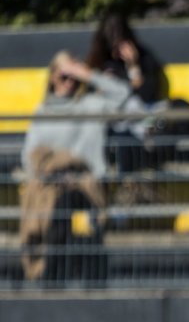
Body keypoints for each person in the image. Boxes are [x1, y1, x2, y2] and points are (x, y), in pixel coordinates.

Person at [19, 52, 132, 283]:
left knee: (65, 202)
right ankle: (49, 274)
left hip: (84, 182)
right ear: (52, 77)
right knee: (53, 203)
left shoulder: (91, 104)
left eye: (74, 78)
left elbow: (123, 94)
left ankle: (53, 274)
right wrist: (52, 173)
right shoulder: (42, 111)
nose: (70, 82)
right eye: (64, 76)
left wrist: (88, 74)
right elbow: (29, 156)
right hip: (51, 183)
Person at [85, 11, 166, 179]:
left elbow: (147, 95)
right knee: (118, 137)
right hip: (108, 122)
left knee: (127, 138)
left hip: (137, 123)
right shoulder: (98, 62)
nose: (117, 51)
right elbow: (88, 97)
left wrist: (134, 66)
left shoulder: (143, 58)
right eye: (112, 45)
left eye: (120, 44)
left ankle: (129, 184)